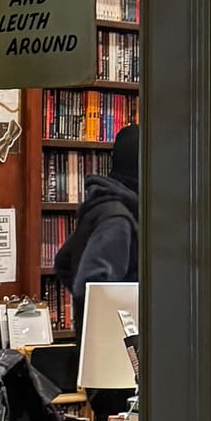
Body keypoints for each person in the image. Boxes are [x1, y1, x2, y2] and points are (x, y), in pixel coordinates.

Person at [54, 120, 139, 307]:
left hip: (106, 331)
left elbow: (63, 261)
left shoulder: (104, 205)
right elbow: (92, 286)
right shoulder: (118, 217)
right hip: (115, 333)